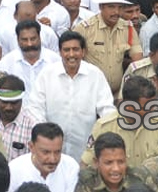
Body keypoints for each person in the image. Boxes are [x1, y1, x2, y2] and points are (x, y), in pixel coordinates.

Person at [27, 31, 115, 160]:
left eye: (76, 49)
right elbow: (35, 107)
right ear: (60, 52)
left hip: (85, 150)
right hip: (51, 150)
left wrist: (102, 137)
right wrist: (45, 134)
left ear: (83, 52)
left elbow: (107, 110)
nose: (71, 54)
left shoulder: (95, 75)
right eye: (66, 50)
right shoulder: (47, 74)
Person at [7, 122, 79, 192]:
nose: (53, 159)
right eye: (46, 152)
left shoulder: (71, 167)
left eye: (57, 152)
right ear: (31, 147)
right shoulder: (14, 169)